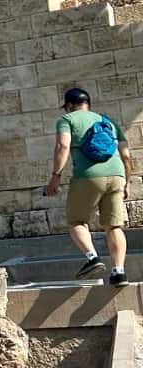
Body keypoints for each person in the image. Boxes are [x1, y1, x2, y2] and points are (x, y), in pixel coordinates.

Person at [46, 87, 133, 287]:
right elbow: (126, 155)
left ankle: (93, 258)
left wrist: (55, 176)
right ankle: (119, 272)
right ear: (88, 105)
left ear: (68, 105)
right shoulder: (107, 121)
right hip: (117, 175)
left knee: (76, 221)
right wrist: (127, 182)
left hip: (88, 176)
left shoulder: (67, 120)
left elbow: (63, 146)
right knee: (114, 226)